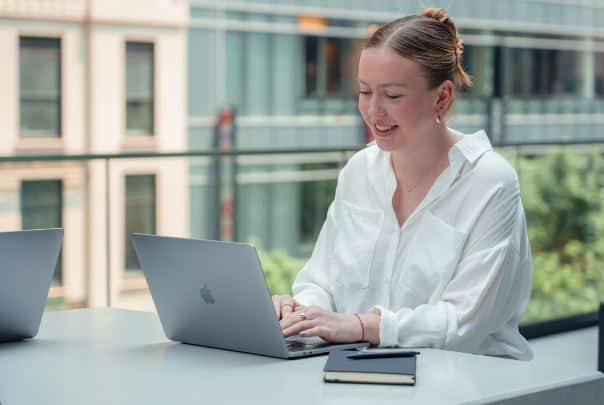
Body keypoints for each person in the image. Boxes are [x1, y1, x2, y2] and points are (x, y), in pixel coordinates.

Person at [272, 7, 533, 360]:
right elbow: (320, 281)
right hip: (365, 373)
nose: (373, 110)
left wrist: (365, 326)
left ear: (441, 97)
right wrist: (301, 314)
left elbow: (466, 320)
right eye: (365, 92)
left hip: (472, 379)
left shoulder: (491, 182)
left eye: (393, 96)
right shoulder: (360, 170)